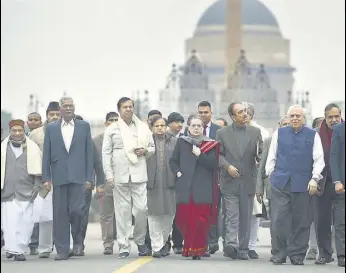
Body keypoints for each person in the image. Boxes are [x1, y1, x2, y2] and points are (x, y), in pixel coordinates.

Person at [266, 105, 325, 265]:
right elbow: (272, 155)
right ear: (287, 117)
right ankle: (279, 253)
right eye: (292, 115)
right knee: (279, 219)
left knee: (301, 221)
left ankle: (297, 255)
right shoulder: (279, 133)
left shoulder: (313, 135)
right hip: (281, 182)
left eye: (298, 116)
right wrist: (271, 174)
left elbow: (319, 159)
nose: (295, 118)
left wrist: (314, 179)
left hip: (304, 183)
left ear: (303, 118)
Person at [102, 97, 155, 259]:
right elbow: (106, 153)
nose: (128, 109)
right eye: (125, 107)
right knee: (123, 211)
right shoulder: (112, 128)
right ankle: (124, 245)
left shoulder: (143, 127)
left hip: (139, 174)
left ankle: (139, 241)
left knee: (141, 210)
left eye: (131, 106)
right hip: (120, 175)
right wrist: (109, 174)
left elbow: (151, 147)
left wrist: (145, 151)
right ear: (119, 109)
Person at [42, 96, 94, 261]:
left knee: (78, 211)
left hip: (78, 177)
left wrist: (89, 177)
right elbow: (46, 155)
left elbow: (89, 154)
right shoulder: (51, 128)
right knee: (60, 214)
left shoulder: (84, 126)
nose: (69, 108)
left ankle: (77, 239)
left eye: (71, 106)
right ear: (60, 109)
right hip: (59, 176)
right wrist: (46, 178)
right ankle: (63, 249)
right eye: (65, 106)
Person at [217, 102, 263, 260]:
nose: (244, 114)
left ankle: (243, 249)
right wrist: (227, 166)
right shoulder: (222, 133)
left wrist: (260, 160)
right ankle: (231, 245)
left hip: (248, 181)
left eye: (245, 111)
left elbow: (260, 153)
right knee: (232, 214)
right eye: (240, 112)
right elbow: (218, 155)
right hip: (230, 180)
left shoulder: (255, 132)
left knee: (245, 216)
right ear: (232, 116)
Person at [169, 116, 219, 260]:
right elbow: (173, 161)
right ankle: (188, 247)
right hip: (185, 187)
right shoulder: (182, 142)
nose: (196, 128)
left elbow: (212, 165)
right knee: (184, 219)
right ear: (188, 128)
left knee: (201, 220)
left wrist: (201, 155)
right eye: (193, 126)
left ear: (203, 128)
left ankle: (199, 249)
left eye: (199, 126)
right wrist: (178, 173)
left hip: (202, 188)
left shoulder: (210, 144)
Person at [1, 119, 43, 261]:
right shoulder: (3, 148)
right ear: (10, 132)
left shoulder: (33, 148)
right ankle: (14, 250)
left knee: (26, 223)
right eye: (14, 131)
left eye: (20, 130)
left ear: (24, 131)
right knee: (10, 223)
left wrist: (36, 188)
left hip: (27, 191)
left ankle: (18, 247)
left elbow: (38, 170)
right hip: (7, 192)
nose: (17, 133)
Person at [256, 115, 290, 261]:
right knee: (275, 220)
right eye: (284, 124)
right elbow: (262, 166)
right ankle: (276, 250)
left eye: (289, 124)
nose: (286, 127)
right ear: (279, 125)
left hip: (293, 187)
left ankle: (289, 249)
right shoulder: (270, 141)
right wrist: (259, 188)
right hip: (273, 186)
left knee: (291, 220)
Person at [29, 101, 61, 259]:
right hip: (43, 179)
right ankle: (44, 248)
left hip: (62, 177)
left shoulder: (66, 130)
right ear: (47, 115)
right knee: (44, 214)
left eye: (57, 114)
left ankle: (63, 246)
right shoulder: (36, 134)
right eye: (51, 114)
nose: (55, 117)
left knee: (63, 213)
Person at [313, 103, 342, 265]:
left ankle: (342, 254)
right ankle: (324, 253)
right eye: (330, 117)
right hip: (322, 183)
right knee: (322, 220)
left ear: (340, 116)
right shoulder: (316, 134)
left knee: (341, 221)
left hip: (341, 184)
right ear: (325, 117)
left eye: (336, 116)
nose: (334, 120)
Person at [147, 117, 177, 258]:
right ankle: (156, 247)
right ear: (152, 127)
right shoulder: (147, 141)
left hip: (170, 181)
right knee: (153, 214)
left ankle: (164, 241)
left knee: (169, 214)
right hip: (152, 181)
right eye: (157, 125)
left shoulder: (174, 141)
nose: (160, 128)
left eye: (162, 125)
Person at [243, 102, 270, 260]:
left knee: (254, 213)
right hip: (237, 177)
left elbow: (265, 157)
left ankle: (251, 246)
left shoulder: (261, 131)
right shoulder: (231, 131)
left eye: (244, 113)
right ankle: (239, 244)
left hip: (254, 177)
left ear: (250, 115)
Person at [197, 101, 221, 255]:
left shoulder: (219, 131)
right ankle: (202, 241)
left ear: (211, 113)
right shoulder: (193, 130)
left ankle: (213, 240)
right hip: (198, 177)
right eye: (201, 112)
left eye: (206, 112)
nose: (203, 115)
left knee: (214, 209)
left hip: (215, 176)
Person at [93, 112, 119, 255]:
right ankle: (108, 243)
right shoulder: (96, 141)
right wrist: (97, 184)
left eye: (117, 120)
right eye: (111, 120)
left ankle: (123, 242)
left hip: (123, 181)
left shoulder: (127, 139)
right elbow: (93, 164)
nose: (114, 122)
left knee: (123, 214)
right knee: (106, 215)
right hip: (104, 182)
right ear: (106, 123)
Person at [330, 121, 345, 267]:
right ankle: (342, 255)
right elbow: (334, 157)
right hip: (343, 184)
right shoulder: (339, 129)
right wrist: (337, 181)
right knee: (341, 221)